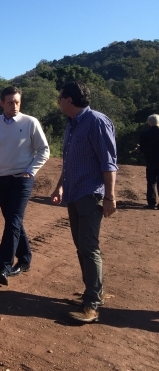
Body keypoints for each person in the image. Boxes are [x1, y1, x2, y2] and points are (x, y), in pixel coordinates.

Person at [51, 81, 117, 323]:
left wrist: (110, 196)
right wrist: (60, 185)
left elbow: (108, 162)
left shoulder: (97, 122)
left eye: (60, 97)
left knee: (89, 247)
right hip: (74, 193)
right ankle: (90, 292)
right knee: (81, 246)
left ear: (69, 100)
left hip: (91, 195)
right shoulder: (71, 125)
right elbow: (69, 163)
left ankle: (92, 305)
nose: (58, 101)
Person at [0, 86, 50, 286]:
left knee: (13, 221)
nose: (14, 105)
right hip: (0, 179)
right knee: (13, 220)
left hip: (22, 179)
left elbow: (44, 150)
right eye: (10, 102)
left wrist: (31, 171)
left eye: (17, 101)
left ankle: (3, 267)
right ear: (1, 103)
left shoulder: (30, 122)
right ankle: (25, 258)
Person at [137, 114, 159, 209]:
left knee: (151, 182)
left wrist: (138, 148)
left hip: (150, 162)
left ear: (149, 123)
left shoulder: (144, 135)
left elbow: (142, 149)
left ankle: (151, 203)